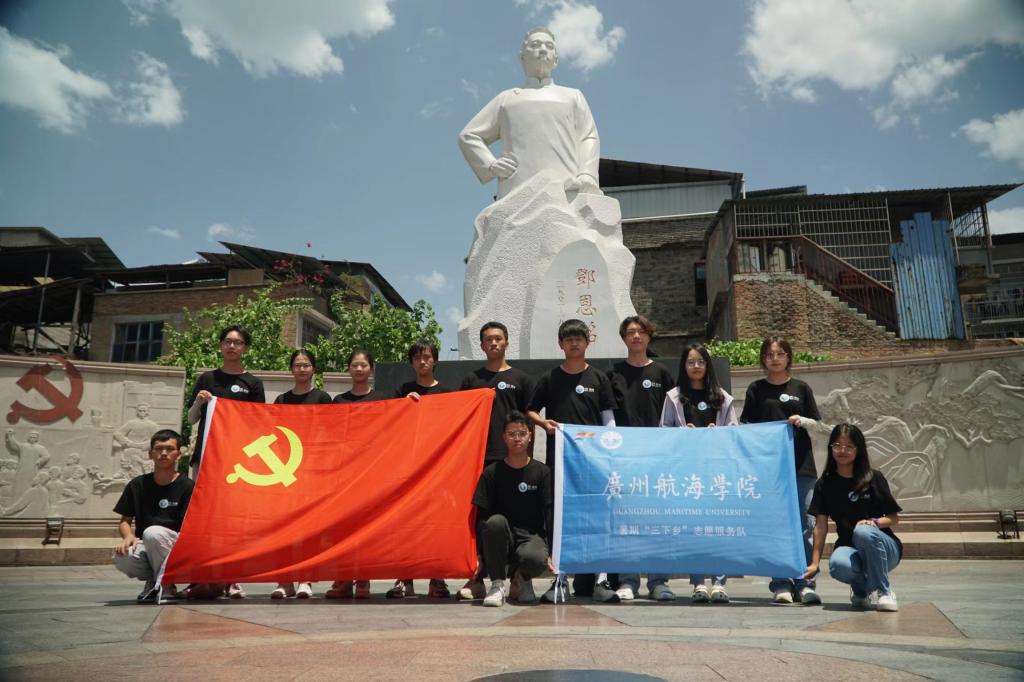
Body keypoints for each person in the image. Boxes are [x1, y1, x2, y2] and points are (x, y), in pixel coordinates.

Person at [527, 318, 617, 603]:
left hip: (594, 461)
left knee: (598, 516)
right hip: (561, 460)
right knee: (562, 519)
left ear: (587, 342)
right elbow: (531, 410)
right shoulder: (550, 378)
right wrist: (544, 424)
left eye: (579, 338)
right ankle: (560, 579)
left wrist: (610, 448)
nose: (574, 343)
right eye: (569, 339)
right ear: (560, 344)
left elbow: (608, 419)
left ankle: (601, 579)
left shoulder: (599, 378)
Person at [458, 27, 601, 201]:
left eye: (549, 46)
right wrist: (490, 164)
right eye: (535, 45)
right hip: (516, 190)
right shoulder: (507, 98)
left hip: (565, 191)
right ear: (522, 57)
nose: (543, 49)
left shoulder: (572, 96)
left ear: (556, 59)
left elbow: (588, 137)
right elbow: (469, 136)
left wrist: (587, 175)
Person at [739, 336, 823, 605]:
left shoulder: (801, 388)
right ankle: (781, 582)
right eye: (769, 354)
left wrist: (802, 420)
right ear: (763, 359)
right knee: (775, 525)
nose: (775, 359)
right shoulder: (756, 389)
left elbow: (818, 424)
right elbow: (747, 427)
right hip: (770, 470)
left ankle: (805, 581)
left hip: (801, 466)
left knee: (805, 524)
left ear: (788, 357)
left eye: (780, 354)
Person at [457, 321, 535, 601]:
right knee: (483, 521)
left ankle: (516, 578)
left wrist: (525, 457)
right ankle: (478, 577)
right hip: (480, 459)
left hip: (513, 461)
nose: (494, 343)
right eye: (488, 339)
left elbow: (529, 421)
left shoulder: (522, 379)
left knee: (516, 520)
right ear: (481, 345)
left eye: (498, 338)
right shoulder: (472, 380)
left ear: (506, 342)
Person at [186, 325, 265, 599]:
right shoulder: (207, 379)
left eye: (238, 342)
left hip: (237, 464)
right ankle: (200, 575)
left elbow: (258, 423)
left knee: (233, 520)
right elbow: (191, 419)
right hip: (206, 459)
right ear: (220, 345)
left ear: (246, 348)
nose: (232, 346)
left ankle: (233, 577)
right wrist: (199, 403)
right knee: (202, 519)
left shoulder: (253, 383)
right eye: (228, 341)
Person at [661, 343, 738, 603]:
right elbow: (664, 430)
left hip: (716, 472)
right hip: (688, 472)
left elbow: (734, 431)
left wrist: (718, 434)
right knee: (694, 526)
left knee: (718, 525)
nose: (696, 366)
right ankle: (698, 583)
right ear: (684, 366)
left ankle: (719, 582)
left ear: (708, 365)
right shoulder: (673, 397)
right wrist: (683, 433)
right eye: (691, 362)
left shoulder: (722, 397)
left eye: (701, 361)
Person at [608, 315, 676, 602]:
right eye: (631, 332)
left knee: (659, 520)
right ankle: (628, 580)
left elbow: (674, 413)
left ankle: (658, 580)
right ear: (624, 338)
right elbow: (608, 415)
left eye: (641, 332)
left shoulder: (662, 373)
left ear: (649, 336)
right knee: (627, 519)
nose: (636, 336)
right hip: (625, 458)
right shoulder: (614, 374)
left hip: (658, 458)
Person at [805, 424, 902, 612]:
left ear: (859, 450)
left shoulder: (873, 478)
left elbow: (893, 518)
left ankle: (885, 591)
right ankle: (861, 592)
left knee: (863, 532)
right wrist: (814, 563)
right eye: (837, 445)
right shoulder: (824, 484)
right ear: (831, 448)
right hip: (849, 547)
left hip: (884, 547)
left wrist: (874, 523)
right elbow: (820, 526)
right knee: (838, 565)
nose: (842, 451)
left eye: (849, 446)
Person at [388, 340, 454, 599]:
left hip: (438, 469)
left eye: (427, 357)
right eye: (417, 358)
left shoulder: (447, 393)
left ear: (435, 360)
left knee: (435, 523)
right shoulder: (402, 391)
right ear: (412, 363)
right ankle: (404, 577)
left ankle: (437, 578)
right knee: (407, 523)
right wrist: (403, 406)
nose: (423, 362)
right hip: (409, 468)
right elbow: (391, 424)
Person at [472, 411, 555, 607]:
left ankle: (522, 578)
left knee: (535, 559)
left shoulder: (542, 472)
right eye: (511, 434)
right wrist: (477, 554)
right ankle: (497, 584)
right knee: (494, 522)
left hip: (530, 536)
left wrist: (553, 551)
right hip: (503, 537)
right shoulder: (492, 472)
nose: (517, 438)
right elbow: (481, 515)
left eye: (522, 433)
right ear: (504, 437)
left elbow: (550, 513)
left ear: (530, 436)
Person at [270, 349, 332, 600]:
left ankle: (306, 579)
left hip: (312, 470)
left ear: (313, 369)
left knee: (309, 527)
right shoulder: (282, 400)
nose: (302, 369)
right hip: (286, 470)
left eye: (306, 365)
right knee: (283, 527)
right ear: (291, 369)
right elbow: (274, 433)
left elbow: (331, 433)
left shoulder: (322, 398)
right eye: (297, 365)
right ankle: (284, 581)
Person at [326, 349, 384, 600]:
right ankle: (342, 578)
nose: (359, 369)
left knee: (365, 529)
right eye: (355, 365)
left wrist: (412, 401)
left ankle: (363, 578)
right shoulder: (338, 401)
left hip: (371, 474)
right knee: (343, 528)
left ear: (371, 369)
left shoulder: (383, 400)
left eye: (364, 365)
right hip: (345, 474)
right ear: (348, 369)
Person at [112, 429, 193, 604]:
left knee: (153, 533)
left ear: (179, 455)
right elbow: (125, 521)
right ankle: (156, 580)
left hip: (177, 546)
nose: (163, 453)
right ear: (150, 454)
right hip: (147, 544)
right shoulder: (137, 484)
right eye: (158, 449)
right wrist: (128, 536)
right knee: (121, 557)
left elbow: (190, 526)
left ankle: (165, 585)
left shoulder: (188, 486)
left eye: (169, 449)